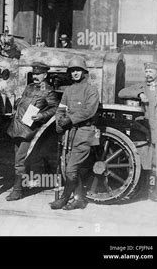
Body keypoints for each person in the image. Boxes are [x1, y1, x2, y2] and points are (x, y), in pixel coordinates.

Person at [50, 56, 99, 210]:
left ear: (84, 72)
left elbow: (89, 111)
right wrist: (59, 122)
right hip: (68, 133)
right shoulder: (68, 90)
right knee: (67, 167)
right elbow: (61, 109)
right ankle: (78, 198)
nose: (75, 73)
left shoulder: (91, 90)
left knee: (71, 168)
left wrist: (70, 119)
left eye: (78, 70)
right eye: (72, 71)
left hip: (84, 132)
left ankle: (65, 198)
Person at [6, 62, 59, 201]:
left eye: (38, 74)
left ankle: (17, 191)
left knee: (20, 159)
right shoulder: (29, 87)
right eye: (34, 74)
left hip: (29, 129)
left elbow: (55, 108)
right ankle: (24, 185)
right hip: (18, 127)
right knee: (18, 157)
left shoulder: (48, 91)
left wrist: (41, 116)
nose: (35, 76)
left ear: (45, 75)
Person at [118, 62, 157, 202]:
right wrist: (139, 93)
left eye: (151, 72)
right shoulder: (141, 86)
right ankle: (142, 190)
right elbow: (121, 93)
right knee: (144, 160)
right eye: (146, 71)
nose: (148, 74)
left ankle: (153, 191)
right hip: (144, 128)